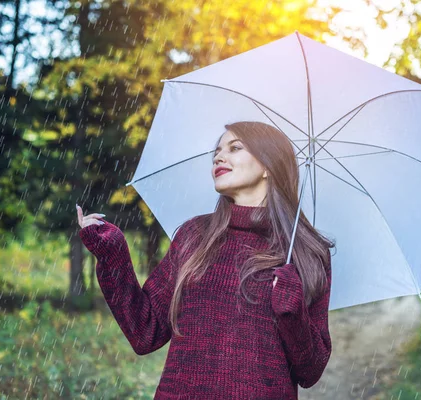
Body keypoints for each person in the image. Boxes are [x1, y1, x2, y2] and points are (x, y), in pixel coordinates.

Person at [76, 121, 336, 399]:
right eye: (217, 150)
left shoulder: (305, 251)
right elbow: (145, 331)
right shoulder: (195, 236)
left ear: (267, 166)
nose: (218, 157)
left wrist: (293, 313)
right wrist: (113, 255)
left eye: (235, 148)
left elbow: (310, 371)